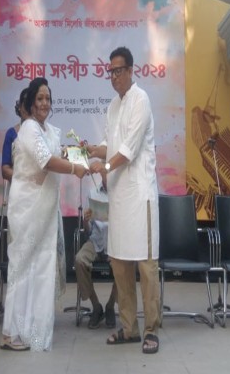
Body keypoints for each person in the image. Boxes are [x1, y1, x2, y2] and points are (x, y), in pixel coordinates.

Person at [1, 77, 87, 352]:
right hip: (27, 208)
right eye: (39, 98)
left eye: (48, 98)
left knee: (41, 269)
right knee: (22, 267)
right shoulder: (28, 128)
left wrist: (84, 155)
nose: (44, 103)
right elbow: (47, 161)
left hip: (46, 209)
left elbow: (59, 153)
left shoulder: (47, 131)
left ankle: (34, 333)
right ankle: (12, 333)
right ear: (29, 102)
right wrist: (75, 169)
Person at [88, 47, 161, 354]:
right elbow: (111, 144)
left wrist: (103, 166)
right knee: (119, 264)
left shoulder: (141, 100)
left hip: (140, 195)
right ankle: (129, 328)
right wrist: (91, 150)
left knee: (146, 266)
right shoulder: (112, 106)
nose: (114, 77)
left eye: (119, 71)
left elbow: (128, 149)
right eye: (111, 72)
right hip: (118, 198)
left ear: (131, 71)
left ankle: (151, 330)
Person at [75, 185, 117, 329]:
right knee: (80, 260)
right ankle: (96, 306)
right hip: (95, 241)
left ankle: (110, 306)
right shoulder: (93, 193)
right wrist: (85, 221)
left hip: (114, 243)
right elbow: (88, 230)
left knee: (125, 264)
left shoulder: (121, 191)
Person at [1, 87, 29, 182]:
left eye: (30, 105)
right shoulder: (11, 134)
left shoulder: (43, 133)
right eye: (25, 104)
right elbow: (5, 171)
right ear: (19, 107)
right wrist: (27, 181)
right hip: (17, 188)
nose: (27, 109)